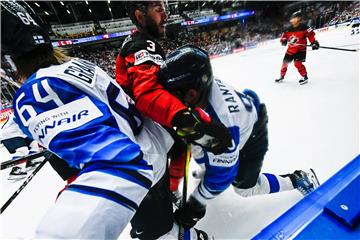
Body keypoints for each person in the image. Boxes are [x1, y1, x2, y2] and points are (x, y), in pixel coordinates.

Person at [1, 2, 205, 239]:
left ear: (8, 61)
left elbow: (118, 162)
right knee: (160, 227)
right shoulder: (74, 65)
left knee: (160, 234)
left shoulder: (38, 90)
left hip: (141, 168)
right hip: (152, 150)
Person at [159, 45, 320, 229]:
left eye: (171, 95)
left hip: (251, 136)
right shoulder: (200, 91)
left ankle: (297, 178)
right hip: (239, 122)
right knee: (196, 143)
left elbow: (222, 177)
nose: (168, 101)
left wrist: (195, 205)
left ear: (191, 94)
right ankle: (208, 167)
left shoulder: (222, 123)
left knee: (245, 188)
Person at [116, 2, 230, 239]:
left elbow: (161, 94)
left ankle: (168, 195)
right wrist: (191, 122)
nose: (165, 14)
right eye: (158, 8)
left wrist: (197, 120)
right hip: (139, 149)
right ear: (140, 15)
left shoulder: (146, 45)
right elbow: (146, 96)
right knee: (156, 229)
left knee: (180, 147)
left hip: (149, 137)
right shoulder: (140, 45)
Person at [275, 11, 320, 85]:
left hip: (300, 50)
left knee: (297, 64)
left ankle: (304, 76)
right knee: (285, 64)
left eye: (293, 18)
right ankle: (281, 76)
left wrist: (314, 43)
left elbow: (311, 35)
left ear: (298, 18)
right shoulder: (288, 29)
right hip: (290, 50)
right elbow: (284, 37)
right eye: (291, 19)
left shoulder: (304, 27)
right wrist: (283, 40)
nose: (291, 20)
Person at [1, 111, 41, 180]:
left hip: (20, 133)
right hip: (9, 133)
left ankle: (29, 161)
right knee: (22, 150)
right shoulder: (21, 111)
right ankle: (16, 169)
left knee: (33, 143)